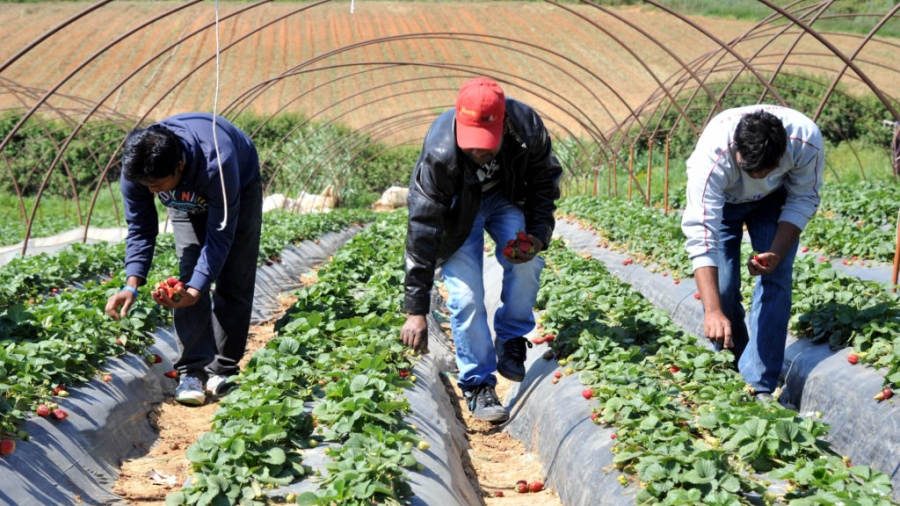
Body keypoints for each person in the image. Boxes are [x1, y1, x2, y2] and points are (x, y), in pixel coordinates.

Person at [401, 77, 562, 422]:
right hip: (459, 210)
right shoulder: (440, 153)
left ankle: (511, 338)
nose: (478, 151)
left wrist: (536, 235)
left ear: (504, 123)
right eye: (471, 142)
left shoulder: (528, 130)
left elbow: (544, 185)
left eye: (486, 143)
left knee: (527, 265)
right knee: (466, 296)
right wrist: (416, 309)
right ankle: (478, 384)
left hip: (505, 199)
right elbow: (423, 228)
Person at [105, 113, 263, 406]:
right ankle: (193, 371)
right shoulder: (137, 169)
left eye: (157, 184)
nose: (151, 191)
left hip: (237, 184)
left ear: (179, 166)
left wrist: (197, 290)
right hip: (186, 196)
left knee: (234, 274)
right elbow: (140, 228)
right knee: (189, 273)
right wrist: (132, 284)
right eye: (146, 186)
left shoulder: (219, 160)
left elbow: (220, 233)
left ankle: (223, 368)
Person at [681, 105, 824, 401]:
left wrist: (775, 252)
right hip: (724, 205)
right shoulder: (713, 154)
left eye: (766, 170)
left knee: (777, 279)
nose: (756, 175)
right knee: (723, 291)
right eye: (749, 168)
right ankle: (736, 365)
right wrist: (713, 311)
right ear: (737, 149)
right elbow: (701, 231)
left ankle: (758, 382)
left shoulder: (805, 141)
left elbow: (803, 197)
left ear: (782, 153)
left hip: (774, 201)